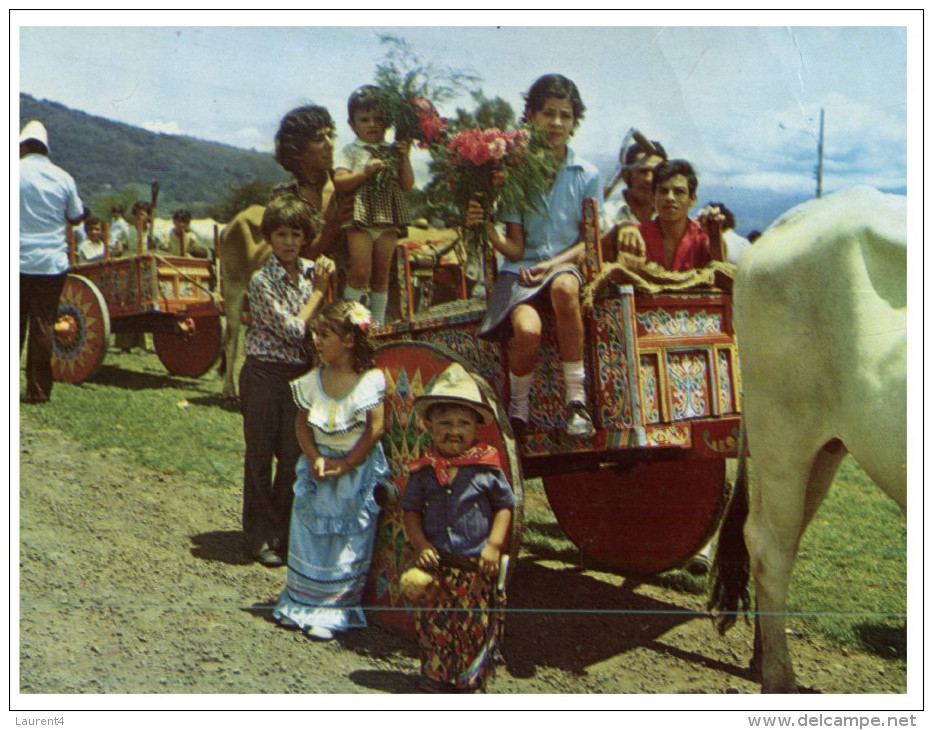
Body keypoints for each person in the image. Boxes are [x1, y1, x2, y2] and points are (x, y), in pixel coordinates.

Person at [468, 73, 603, 439]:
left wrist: (556, 264)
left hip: (564, 269)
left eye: (565, 115)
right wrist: (486, 229)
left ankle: (576, 402)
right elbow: (514, 247)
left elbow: (590, 240)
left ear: (575, 121)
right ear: (530, 116)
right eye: (548, 113)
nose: (557, 123)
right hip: (521, 274)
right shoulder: (515, 175)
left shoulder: (586, 174)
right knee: (527, 331)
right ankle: (518, 409)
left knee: (563, 288)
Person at [272, 300, 391, 640]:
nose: (317, 341)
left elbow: (375, 429)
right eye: (316, 334)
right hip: (321, 468)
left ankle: (334, 609)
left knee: (347, 539)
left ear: (350, 340)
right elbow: (302, 424)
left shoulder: (369, 381)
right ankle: (300, 603)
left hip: (355, 469)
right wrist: (313, 458)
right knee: (309, 533)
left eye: (325, 334)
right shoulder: (313, 380)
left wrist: (348, 462)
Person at [399, 362, 516, 693]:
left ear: (477, 428)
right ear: (428, 425)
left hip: (473, 567)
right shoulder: (423, 471)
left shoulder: (486, 469)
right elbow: (410, 510)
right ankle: (436, 676)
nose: (454, 430)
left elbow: (504, 507)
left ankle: (469, 681)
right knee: (435, 622)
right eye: (445, 422)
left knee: (472, 625)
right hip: (435, 567)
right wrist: (421, 545)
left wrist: (493, 545)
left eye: (463, 423)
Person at [240, 194, 335, 567]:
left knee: (294, 457)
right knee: (260, 456)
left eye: (296, 234)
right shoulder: (261, 281)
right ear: (269, 237)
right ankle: (258, 536)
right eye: (281, 234)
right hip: (264, 374)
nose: (289, 242)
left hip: (299, 377)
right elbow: (295, 329)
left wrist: (324, 282)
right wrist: (318, 294)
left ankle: (281, 531)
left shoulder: (315, 270)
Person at [333, 85, 414, 326]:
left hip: (388, 217)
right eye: (364, 119)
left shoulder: (392, 150)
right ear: (352, 124)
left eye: (378, 119)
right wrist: (363, 172)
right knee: (360, 273)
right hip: (361, 218)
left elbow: (407, 183)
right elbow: (339, 181)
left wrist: (405, 157)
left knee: (382, 275)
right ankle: (347, 321)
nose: (372, 125)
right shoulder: (351, 151)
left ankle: (377, 325)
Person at [20, 120, 86, 403]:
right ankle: (38, 390)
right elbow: (76, 217)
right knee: (43, 324)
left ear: (22, 145)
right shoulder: (63, 178)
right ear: (46, 148)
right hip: (50, 264)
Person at [617, 159, 725, 271]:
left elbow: (721, 272)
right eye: (663, 191)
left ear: (692, 200)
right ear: (653, 198)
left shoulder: (704, 237)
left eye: (679, 192)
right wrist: (620, 227)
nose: (670, 198)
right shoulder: (636, 234)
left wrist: (715, 237)